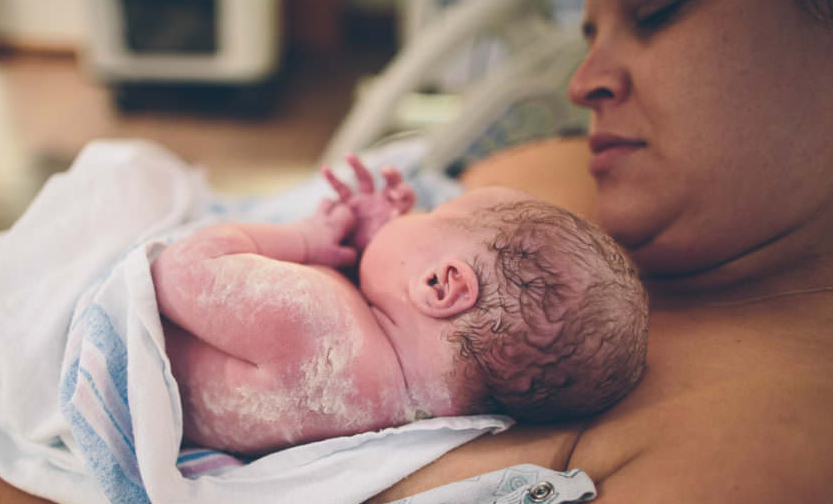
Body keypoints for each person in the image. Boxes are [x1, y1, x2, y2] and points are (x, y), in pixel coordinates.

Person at [0, 0, 833, 504]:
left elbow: (186, 272)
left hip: (37, 456)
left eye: (661, 6)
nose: (582, 79)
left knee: (121, 170)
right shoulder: (573, 191)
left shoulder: (778, 475)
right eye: (589, 29)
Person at [163, 154, 646, 455]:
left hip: (119, 333)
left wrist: (307, 238)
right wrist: (378, 246)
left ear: (440, 286)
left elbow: (179, 268)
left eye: (430, 213)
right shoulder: (401, 406)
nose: (408, 213)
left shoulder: (317, 323)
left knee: (128, 170)